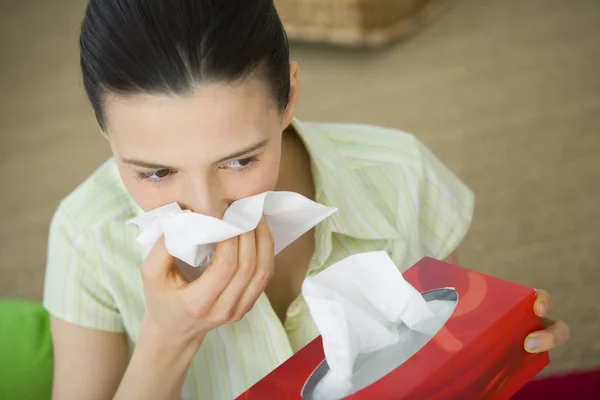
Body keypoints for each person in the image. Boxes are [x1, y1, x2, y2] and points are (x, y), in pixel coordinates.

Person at [42, 1, 570, 399]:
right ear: (105, 132)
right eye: (156, 172)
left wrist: (501, 345)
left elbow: (443, 347)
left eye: (240, 160)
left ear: (289, 95)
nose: (206, 208)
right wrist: (168, 337)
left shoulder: (397, 175)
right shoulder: (88, 236)